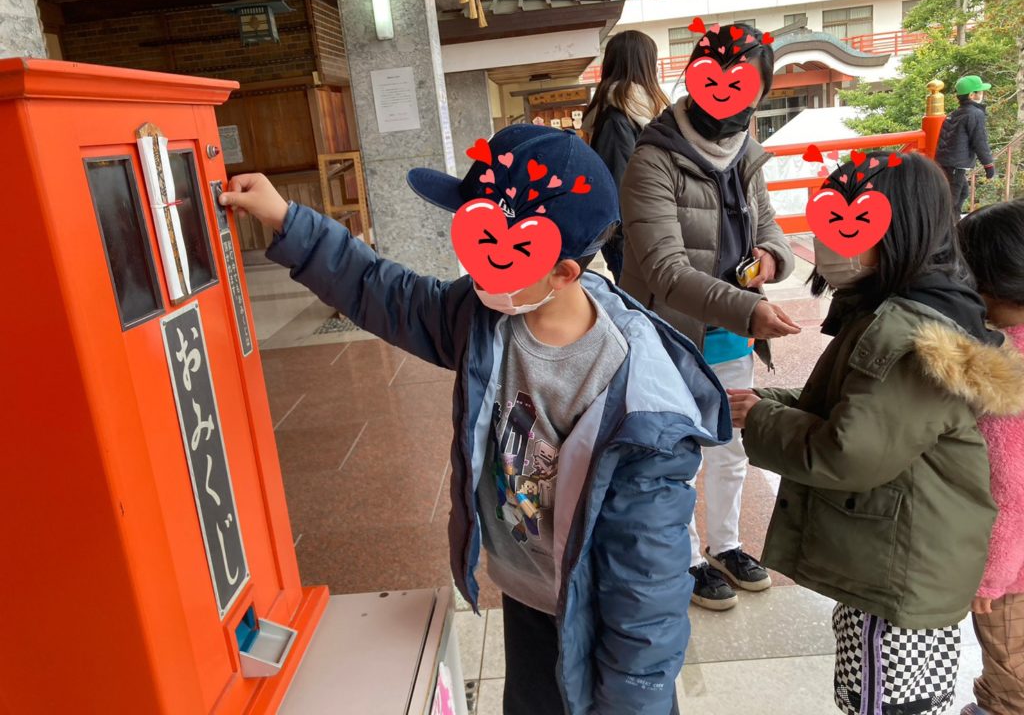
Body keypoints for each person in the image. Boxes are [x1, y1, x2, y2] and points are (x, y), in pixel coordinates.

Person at [219, 124, 731, 715]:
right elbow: (387, 294)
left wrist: (634, 700)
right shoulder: (486, 314)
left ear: (565, 272)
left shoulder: (636, 400)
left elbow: (646, 577)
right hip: (529, 591)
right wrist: (288, 221)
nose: (478, 268)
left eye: (500, 253)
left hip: (598, 614)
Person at [728, 153, 1024, 715]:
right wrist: (765, 404)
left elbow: (851, 452)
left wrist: (761, 418)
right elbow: (861, 412)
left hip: (897, 573)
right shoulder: (918, 309)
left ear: (899, 228)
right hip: (906, 561)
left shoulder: (910, 334)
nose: (830, 240)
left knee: (882, 701)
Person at [618, 22, 799, 611]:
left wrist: (771, 256)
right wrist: (751, 307)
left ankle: (727, 544)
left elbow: (768, 223)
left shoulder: (746, 150)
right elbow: (664, 270)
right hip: (671, 333)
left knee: (731, 447)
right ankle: (689, 557)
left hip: (732, 334)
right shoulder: (653, 159)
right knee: (679, 452)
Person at [957, 200, 1024, 715]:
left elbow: (1009, 482)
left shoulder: (1004, 363)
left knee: (1010, 671)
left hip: (1014, 574)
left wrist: (990, 575)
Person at [581, 30, 671, 283]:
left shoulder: (634, 115)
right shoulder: (619, 120)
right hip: (634, 241)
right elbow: (619, 188)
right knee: (643, 303)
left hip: (646, 235)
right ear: (644, 65)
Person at [935, 74, 996, 216]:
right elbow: (979, 141)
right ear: (972, 95)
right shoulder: (975, 113)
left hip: (946, 162)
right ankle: (945, 226)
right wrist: (988, 165)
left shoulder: (954, 113)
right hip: (956, 165)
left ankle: (954, 223)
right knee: (951, 201)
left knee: (962, 193)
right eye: (980, 91)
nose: (982, 94)